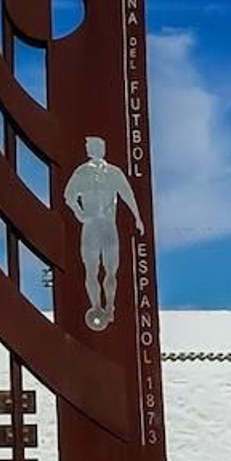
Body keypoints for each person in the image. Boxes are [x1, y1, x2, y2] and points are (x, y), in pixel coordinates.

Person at [62, 136, 143, 330]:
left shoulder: (113, 173)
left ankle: (110, 306)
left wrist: (137, 217)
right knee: (91, 269)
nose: (88, 148)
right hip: (90, 226)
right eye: (88, 146)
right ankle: (96, 306)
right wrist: (81, 214)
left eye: (91, 145)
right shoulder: (82, 172)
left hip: (108, 226)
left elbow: (128, 195)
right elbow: (69, 196)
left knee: (111, 269)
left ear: (99, 148)